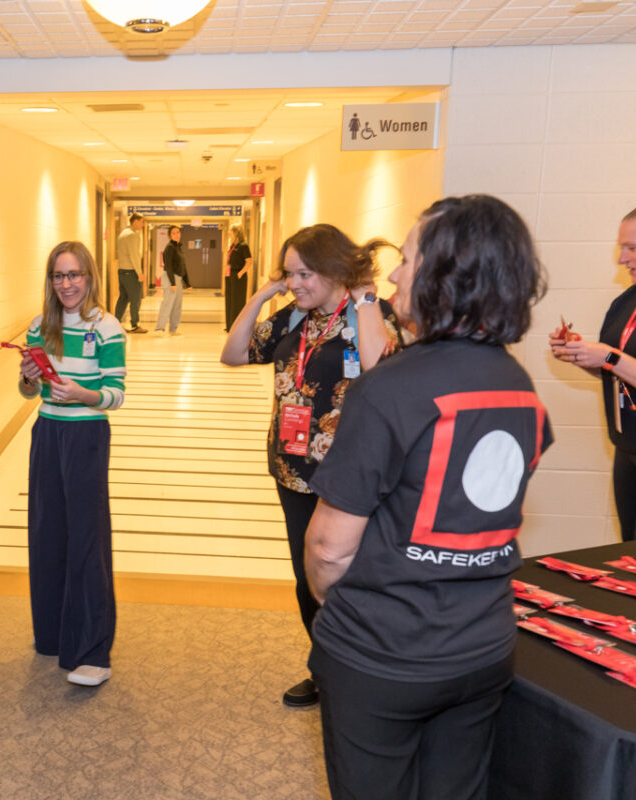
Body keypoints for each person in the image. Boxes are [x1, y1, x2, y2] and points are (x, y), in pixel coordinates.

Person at [306, 195, 551, 800]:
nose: (391, 273)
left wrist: (354, 613)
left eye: (408, 258)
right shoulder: (518, 383)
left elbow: (329, 551)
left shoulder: (389, 389)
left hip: (384, 656)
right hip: (483, 647)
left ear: (446, 274)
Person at [221, 223, 403, 708]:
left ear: (334, 270)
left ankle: (362, 674)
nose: (295, 284)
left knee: (345, 578)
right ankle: (326, 670)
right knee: (308, 580)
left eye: (305, 274)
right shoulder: (292, 319)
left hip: (346, 478)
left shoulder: (371, 314)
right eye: (288, 274)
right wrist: (261, 296)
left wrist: (363, 300)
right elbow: (233, 354)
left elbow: (377, 371)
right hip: (292, 470)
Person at [18, 241, 125, 687]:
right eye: (59, 276)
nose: (67, 284)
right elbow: (28, 392)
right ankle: (54, 634)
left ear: (89, 277)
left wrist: (82, 394)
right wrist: (27, 379)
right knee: (47, 534)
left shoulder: (107, 327)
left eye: (74, 275)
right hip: (47, 433)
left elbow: (115, 394)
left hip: (85, 435)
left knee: (86, 538)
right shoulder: (40, 325)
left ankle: (92, 650)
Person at [550, 196, 636, 540]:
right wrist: (582, 355)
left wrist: (609, 358)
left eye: (631, 247)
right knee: (630, 556)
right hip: (630, 448)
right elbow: (617, 370)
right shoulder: (629, 299)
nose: (622, 259)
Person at [114, 212, 147, 333]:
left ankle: (115, 323)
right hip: (131, 272)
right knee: (135, 299)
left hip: (122, 271)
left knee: (123, 298)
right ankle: (135, 325)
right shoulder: (132, 235)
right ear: (136, 221)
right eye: (142, 222)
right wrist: (140, 273)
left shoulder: (123, 233)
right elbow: (134, 256)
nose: (142, 225)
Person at [155, 225, 190, 335]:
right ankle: (160, 328)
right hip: (171, 278)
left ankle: (173, 329)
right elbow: (168, 266)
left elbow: (183, 266)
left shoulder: (178, 247)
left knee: (177, 305)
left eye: (178, 232)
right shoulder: (169, 247)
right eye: (174, 233)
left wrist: (187, 283)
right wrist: (173, 283)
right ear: (170, 235)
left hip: (178, 279)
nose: (177, 235)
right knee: (167, 303)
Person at [223, 225, 252, 332]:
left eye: (231, 233)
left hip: (238, 276)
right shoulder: (233, 246)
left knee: (237, 301)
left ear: (236, 233)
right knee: (230, 300)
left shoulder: (243, 246)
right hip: (230, 275)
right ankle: (230, 326)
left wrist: (240, 273)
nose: (229, 235)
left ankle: (237, 326)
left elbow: (249, 261)